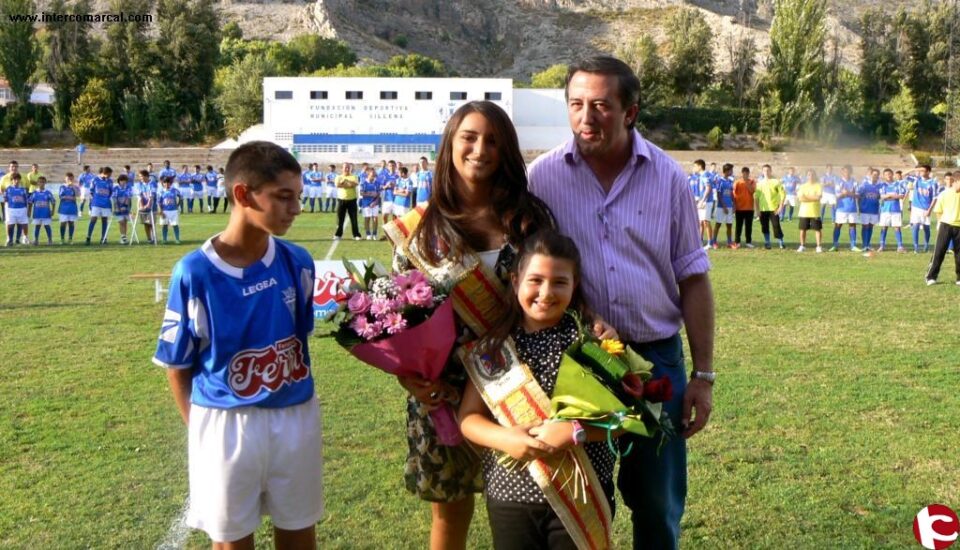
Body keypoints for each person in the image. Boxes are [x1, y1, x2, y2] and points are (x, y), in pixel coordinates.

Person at [528, 56, 714, 550]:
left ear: (630, 111)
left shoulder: (668, 178)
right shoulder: (541, 180)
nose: (587, 117)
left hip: (655, 362)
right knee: (582, 501)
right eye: (576, 104)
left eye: (601, 106)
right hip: (578, 363)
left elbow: (694, 277)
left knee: (657, 503)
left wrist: (703, 375)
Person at [383, 100, 556, 550]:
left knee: (531, 507)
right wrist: (410, 378)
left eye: (494, 141)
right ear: (450, 146)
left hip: (521, 385)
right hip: (443, 391)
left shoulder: (530, 219)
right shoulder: (420, 230)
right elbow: (397, 320)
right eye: (470, 138)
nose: (481, 149)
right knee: (450, 513)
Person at [153, 141, 322, 549]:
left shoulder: (298, 262)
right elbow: (178, 366)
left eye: (298, 196)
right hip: (225, 422)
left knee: (299, 532)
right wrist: (200, 430)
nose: (295, 208)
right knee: (230, 541)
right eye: (283, 196)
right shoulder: (194, 272)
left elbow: (299, 337)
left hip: (295, 415)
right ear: (243, 194)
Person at [459, 229, 617, 549]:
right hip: (510, 496)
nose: (546, 292)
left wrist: (576, 431)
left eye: (559, 282)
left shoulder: (592, 342)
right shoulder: (494, 347)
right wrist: (506, 439)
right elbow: (468, 419)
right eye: (535, 280)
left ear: (576, 285)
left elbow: (623, 421)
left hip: (582, 492)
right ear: (515, 281)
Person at [925, 172, 960, 285]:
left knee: (959, 254)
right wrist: (940, 223)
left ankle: (959, 278)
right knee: (939, 251)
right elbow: (938, 211)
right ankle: (931, 277)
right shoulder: (944, 194)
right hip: (946, 225)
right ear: (954, 181)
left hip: (959, 227)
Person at [754, 164, 786, 250]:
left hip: (774, 209)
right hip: (763, 209)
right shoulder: (759, 183)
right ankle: (767, 242)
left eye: (768, 170)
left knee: (776, 225)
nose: (766, 172)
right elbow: (756, 197)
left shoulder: (776, 182)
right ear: (762, 172)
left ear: (771, 171)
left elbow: (783, 194)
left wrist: (780, 207)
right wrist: (757, 210)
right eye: (764, 170)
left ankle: (781, 242)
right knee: (764, 226)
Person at [829, 165, 860, 252]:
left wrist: (848, 193)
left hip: (852, 208)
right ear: (842, 172)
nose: (846, 173)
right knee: (838, 225)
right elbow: (837, 196)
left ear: (851, 172)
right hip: (841, 208)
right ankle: (835, 245)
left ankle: (853, 245)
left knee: (852, 225)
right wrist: (844, 194)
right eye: (844, 171)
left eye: (848, 171)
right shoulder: (839, 182)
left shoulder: (854, 182)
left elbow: (858, 195)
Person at [877, 168, 906, 253]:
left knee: (897, 227)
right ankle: (881, 246)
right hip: (885, 209)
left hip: (896, 209)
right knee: (884, 227)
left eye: (889, 174)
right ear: (884, 176)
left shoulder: (898, 184)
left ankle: (900, 247)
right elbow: (882, 196)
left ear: (892, 174)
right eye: (886, 174)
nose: (888, 176)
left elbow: (901, 196)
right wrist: (893, 195)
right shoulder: (882, 185)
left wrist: (888, 196)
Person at [910, 164, 937, 253]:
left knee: (926, 228)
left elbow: (934, 198)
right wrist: (914, 169)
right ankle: (916, 247)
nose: (920, 172)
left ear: (928, 172)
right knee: (916, 226)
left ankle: (926, 245)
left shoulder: (933, 183)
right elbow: (903, 176)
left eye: (922, 171)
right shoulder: (917, 180)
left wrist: (929, 210)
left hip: (926, 208)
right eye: (919, 171)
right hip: (916, 207)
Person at [796, 169, 823, 253]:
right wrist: (812, 197)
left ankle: (818, 246)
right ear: (806, 176)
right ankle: (802, 245)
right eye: (809, 175)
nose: (810, 176)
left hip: (815, 212)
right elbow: (800, 198)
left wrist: (806, 197)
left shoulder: (818, 185)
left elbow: (818, 197)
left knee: (817, 229)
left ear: (815, 175)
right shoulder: (802, 186)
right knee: (802, 229)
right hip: (804, 212)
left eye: (812, 174)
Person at [333, 162, 361, 241]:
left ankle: (356, 234)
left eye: (348, 167)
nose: (347, 169)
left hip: (352, 200)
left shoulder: (354, 176)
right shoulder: (338, 177)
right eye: (345, 167)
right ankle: (338, 234)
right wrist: (348, 184)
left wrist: (345, 182)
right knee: (340, 219)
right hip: (341, 200)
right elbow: (338, 185)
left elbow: (355, 184)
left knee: (354, 219)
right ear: (342, 168)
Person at [86, 167, 114, 245]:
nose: (110, 176)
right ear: (105, 173)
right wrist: (91, 204)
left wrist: (108, 200)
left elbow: (111, 192)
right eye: (109, 174)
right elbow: (91, 192)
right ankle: (88, 237)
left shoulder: (110, 181)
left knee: (104, 220)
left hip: (106, 204)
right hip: (96, 204)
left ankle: (103, 238)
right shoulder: (95, 180)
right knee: (93, 219)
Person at [710, 163, 735, 249]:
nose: (732, 172)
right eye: (731, 170)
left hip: (729, 206)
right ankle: (714, 242)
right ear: (727, 171)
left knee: (729, 225)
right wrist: (724, 206)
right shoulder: (719, 181)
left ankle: (729, 242)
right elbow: (719, 194)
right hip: (721, 207)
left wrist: (734, 204)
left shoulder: (730, 181)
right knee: (718, 224)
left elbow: (731, 194)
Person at [858, 169, 882, 255]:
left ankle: (868, 244)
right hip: (865, 209)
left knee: (871, 226)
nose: (875, 176)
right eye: (874, 174)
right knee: (865, 226)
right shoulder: (864, 185)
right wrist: (859, 207)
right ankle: (864, 245)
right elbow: (858, 196)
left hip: (874, 209)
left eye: (877, 175)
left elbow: (880, 196)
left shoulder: (879, 186)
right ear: (870, 175)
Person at [688, 160, 712, 247]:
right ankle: (700, 241)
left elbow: (708, 188)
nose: (694, 168)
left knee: (706, 222)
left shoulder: (705, 174)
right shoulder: (700, 176)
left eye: (695, 166)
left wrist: (702, 200)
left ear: (700, 166)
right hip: (702, 201)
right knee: (701, 222)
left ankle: (710, 242)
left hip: (707, 201)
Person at [732, 166, 756, 249]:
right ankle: (737, 242)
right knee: (738, 226)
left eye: (746, 173)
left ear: (748, 174)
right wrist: (734, 206)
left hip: (749, 208)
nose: (745, 175)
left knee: (748, 226)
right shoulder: (737, 182)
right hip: (739, 208)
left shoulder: (752, 181)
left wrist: (746, 182)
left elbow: (752, 191)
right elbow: (734, 195)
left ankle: (748, 242)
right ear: (741, 173)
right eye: (744, 173)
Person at [28, 176, 55, 245]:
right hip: (37, 213)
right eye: (40, 182)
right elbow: (30, 203)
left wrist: (53, 211)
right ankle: (36, 240)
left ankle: (50, 240)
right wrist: (29, 211)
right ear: (37, 183)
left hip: (46, 213)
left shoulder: (48, 192)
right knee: (37, 226)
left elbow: (53, 202)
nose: (41, 183)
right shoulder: (34, 193)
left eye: (43, 182)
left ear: (45, 183)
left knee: (47, 226)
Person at [4, 172, 28, 246]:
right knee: (10, 224)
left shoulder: (23, 189)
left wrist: (26, 209)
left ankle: (24, 238)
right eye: (15, 179)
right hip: (11, 209)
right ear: (12, 180)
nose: (16, 181)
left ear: (20, 180)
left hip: (22, 209)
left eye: (18, 179)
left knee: (24, 224)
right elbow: (6, 199)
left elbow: (26, 199)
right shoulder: (8, 189)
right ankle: (9, 239)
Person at [158, 177, 183, 244]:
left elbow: (181, 197)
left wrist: (177, 205)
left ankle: (177, 239)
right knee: (164, 225)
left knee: (175, 225)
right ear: (163, 183)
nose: (166, 184)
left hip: (173, 211)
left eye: (168, 182)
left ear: (170, 183)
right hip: (165, 211)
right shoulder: (161, 192)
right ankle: (164, 239)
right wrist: (161, 211)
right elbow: (159, 202)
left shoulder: (174, 190)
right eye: (165, 182)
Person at [58, 172, 80, 244]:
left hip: (72, 208)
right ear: (65, 179)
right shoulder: (62, 186)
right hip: (63, 209)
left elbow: (78, 194)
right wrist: (70, 197)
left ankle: (70, 238)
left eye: (71, 178)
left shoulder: (75, 186)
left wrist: (73, 186)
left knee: (71, 223)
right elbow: (61, 197)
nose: (69, 179)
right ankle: (62, 238)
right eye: (68, 178)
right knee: (63, 223)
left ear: (73, 179)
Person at [359, 168, 381, 240]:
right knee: (367, 218)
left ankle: (374, 234)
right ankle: (368, 233)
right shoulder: (363, 183)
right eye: (372, 175)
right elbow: (361, 193)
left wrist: (375, 202)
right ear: (368, 175)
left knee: (375, 219)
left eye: (374, 174)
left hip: (375, 203)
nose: (373, 176)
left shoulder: (377, 183)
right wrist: (371, 194)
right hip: (366, 203)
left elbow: (378, 194)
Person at [113, 174, 134, 244]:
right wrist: (119, 207)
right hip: (118, 208)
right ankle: (123, 237)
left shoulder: (128, 187)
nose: (123, 182)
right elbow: (115, 198)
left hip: (126, 208)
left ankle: (124, 237)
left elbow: (129, 197)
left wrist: (124, 206)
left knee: (125, 221)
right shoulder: (116, 188)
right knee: (121, 221)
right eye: (122, 181)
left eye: (125, 181)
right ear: (119, 181)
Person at [136, 170, 157, 244]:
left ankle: (153, 237)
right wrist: (142, 205)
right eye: (140, 176)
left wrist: (148, 205)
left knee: (151, 223)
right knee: (145, 223)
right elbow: (139, 195)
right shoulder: (139, 184)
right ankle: (149, 238)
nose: (140, 178)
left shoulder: (153, 184)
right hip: (143, 206)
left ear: (146, 176)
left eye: (141, 176)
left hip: (152, 206)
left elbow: (152, 196)